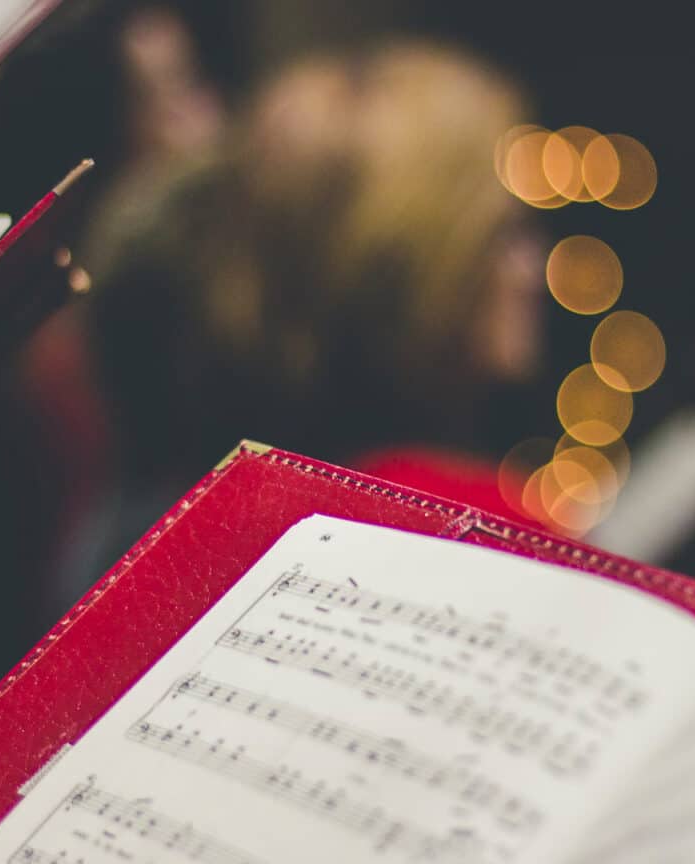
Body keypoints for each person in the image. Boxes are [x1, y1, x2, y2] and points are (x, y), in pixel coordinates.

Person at [58, 41, 546, 603]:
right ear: (411, 268)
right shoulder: (475, 525)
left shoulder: (207, 528)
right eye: (503, 234)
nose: (530, 269)